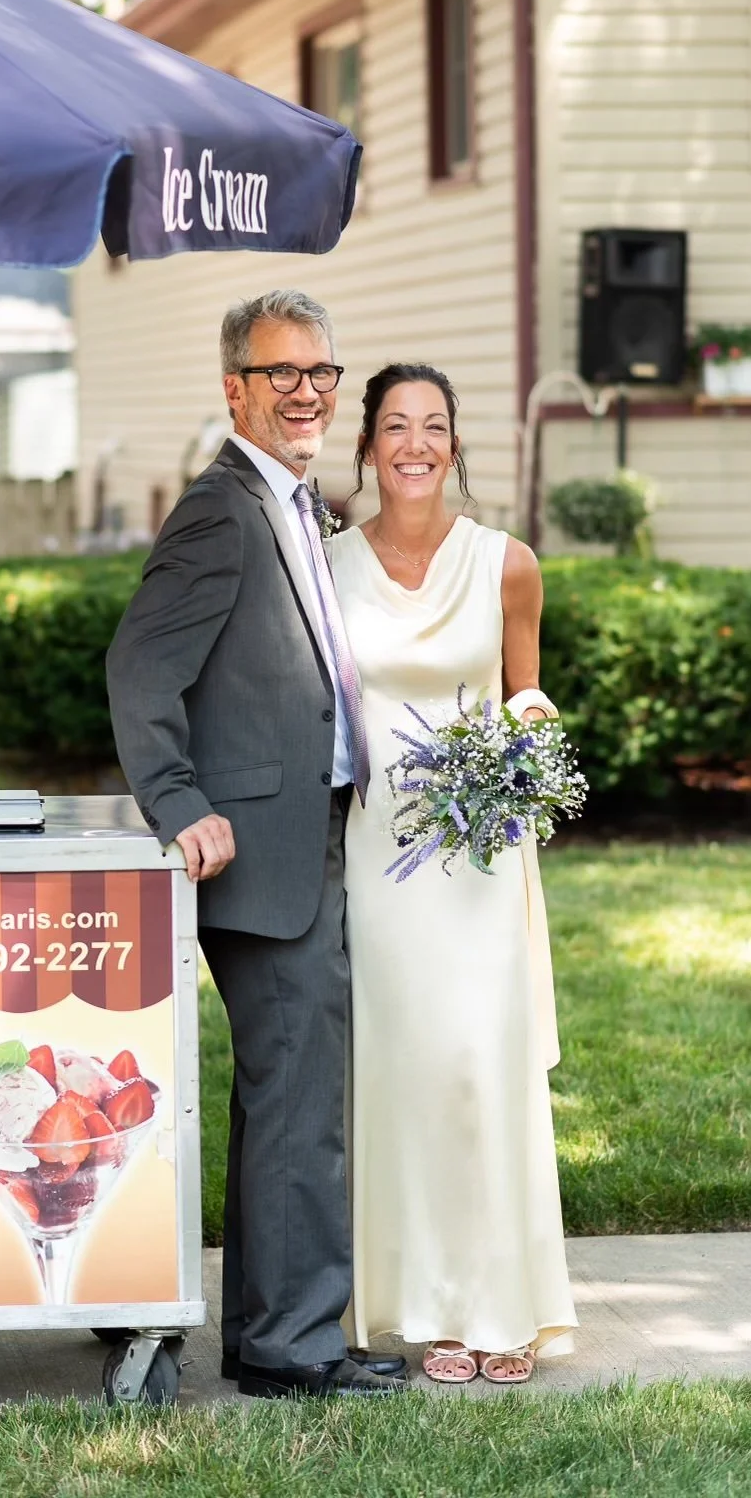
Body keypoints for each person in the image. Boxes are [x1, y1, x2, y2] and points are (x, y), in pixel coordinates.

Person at [106, 290, 406, 1399]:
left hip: (314, 834)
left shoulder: (292, 500)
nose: (305, 393)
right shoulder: (219, 508)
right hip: (258, 854)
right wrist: (178, 803)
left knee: (289, 1092)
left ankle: (277, 1330)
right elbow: (140, 668)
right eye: (281, 374)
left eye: (320, 374)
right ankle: (292, 1348)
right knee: (296, 1096)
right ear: (233, 387)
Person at [329, 362, 577, 1384]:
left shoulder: (507, 563)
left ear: (455, 443)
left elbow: (526, 692)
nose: (415, 445)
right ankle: (427, 1308)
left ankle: (504, 1307)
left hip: (479, 853)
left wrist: (527, 745)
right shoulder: (327, 564)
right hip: (381, 854)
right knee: (406, 1075)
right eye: (395, 426)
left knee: (482, 1069)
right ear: (369, 445)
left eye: (433, 426)